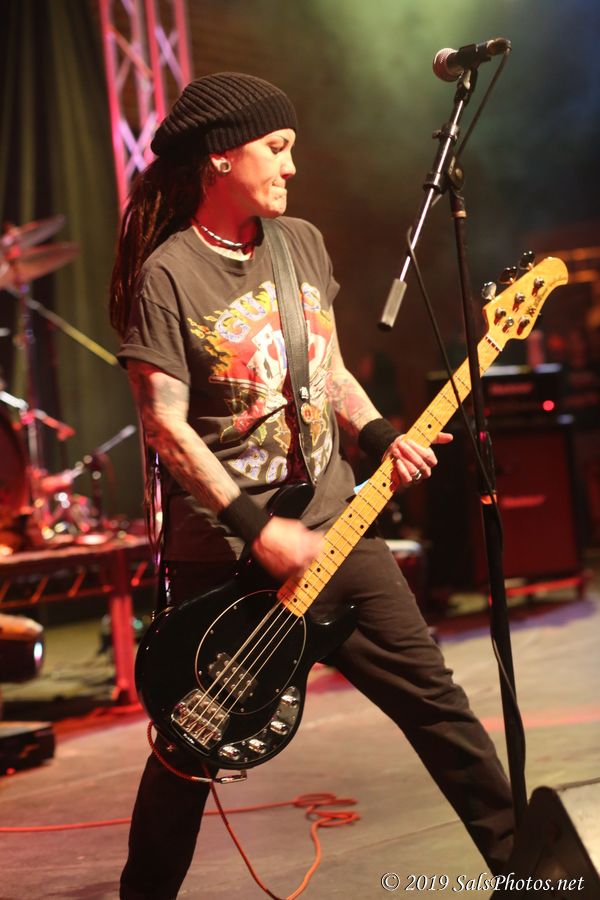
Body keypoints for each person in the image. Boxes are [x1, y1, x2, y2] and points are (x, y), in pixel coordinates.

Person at [110, 72, 515, 900]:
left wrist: (381, 437)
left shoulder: (300, 242)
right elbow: (165, 427)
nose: (292, 165)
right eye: (277, 147)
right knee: (191, 749)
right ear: (222, 159)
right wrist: (256, 526)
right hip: (228, 555)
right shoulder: (169, 276)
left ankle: (533, 874)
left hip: (338, 529)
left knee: (439, 709)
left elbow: (326, 371)